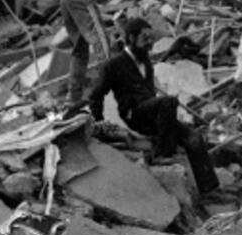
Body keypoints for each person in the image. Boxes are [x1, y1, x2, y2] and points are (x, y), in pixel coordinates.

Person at [89, 17, 219, 197]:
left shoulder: (147, 63)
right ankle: (163, 154)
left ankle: (210, 190)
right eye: (145, 38)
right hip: (134, 114)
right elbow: (96, 96)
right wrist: (98, 124)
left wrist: (168, 120)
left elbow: (152, 97)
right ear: (131, 38)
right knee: (169, 101)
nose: (150, 43)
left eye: (151, 38)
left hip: (153, 113)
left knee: (194, 137)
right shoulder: (113, 64)